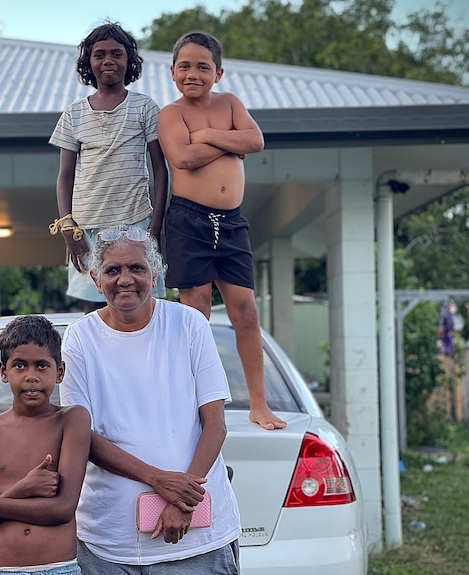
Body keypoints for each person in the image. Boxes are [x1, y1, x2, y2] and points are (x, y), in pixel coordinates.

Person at [60, 224, 241, 574]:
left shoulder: (189, 324)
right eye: (113, 270)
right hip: (108, 542)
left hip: (197, 538)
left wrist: (183, 501)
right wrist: (160, 480)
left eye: (136, 268)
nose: (124, 279)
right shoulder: (79, 339)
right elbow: (82, 436)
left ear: (155, 274)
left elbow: (215, 424)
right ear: (96, 279)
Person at [157, 31, 286, 431]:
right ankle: (195, 406)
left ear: (218, 72)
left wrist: (212, 135)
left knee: (245, 311)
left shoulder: (230, 104)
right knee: (195, 314)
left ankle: (258, 405)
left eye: (202, 67)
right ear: (173, 72)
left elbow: (256, 140)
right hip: (188, 221)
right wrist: (234, 143)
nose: (193, 73)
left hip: (231, 224)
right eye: (185, 66)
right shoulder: (171, 114)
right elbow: (182, 157)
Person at [0, 315, 91, 575]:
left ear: (59, 372)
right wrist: (23, 489)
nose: (31, 376)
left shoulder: (71, 420)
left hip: (57, 569)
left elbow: (62, 510)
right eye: (20, 366)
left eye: (41, 366)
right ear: (3, 371)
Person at [49, 22, 168, 309]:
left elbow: (160, 170)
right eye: (99, 54)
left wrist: (155, 226)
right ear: (88, 62)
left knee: (140, 304)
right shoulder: (73, 114)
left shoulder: (145, 108)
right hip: (87, 228)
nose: (108, 61)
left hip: (136, 222)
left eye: (117, 54)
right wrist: (69, 229)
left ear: (129, 61)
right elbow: (65, 177)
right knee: (97, 308)